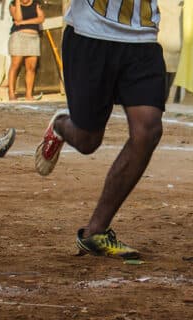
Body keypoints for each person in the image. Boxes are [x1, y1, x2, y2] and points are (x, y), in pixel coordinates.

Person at [33, 0, 166, 260]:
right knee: (87, 140)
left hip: (143, 38)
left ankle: (95, 232)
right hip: (91, 34)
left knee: (148, 130)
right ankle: (61, 125)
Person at [7, 0, 46, 101]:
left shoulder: (36, 3)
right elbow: (18, 18)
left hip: (33, 37)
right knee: (15, 65)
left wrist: (24, 22)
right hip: (18, 36)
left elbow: (41, 19)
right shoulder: (13, 5)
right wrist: (18, 3)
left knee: (31, 67)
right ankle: (11, 93)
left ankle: (29, 94)